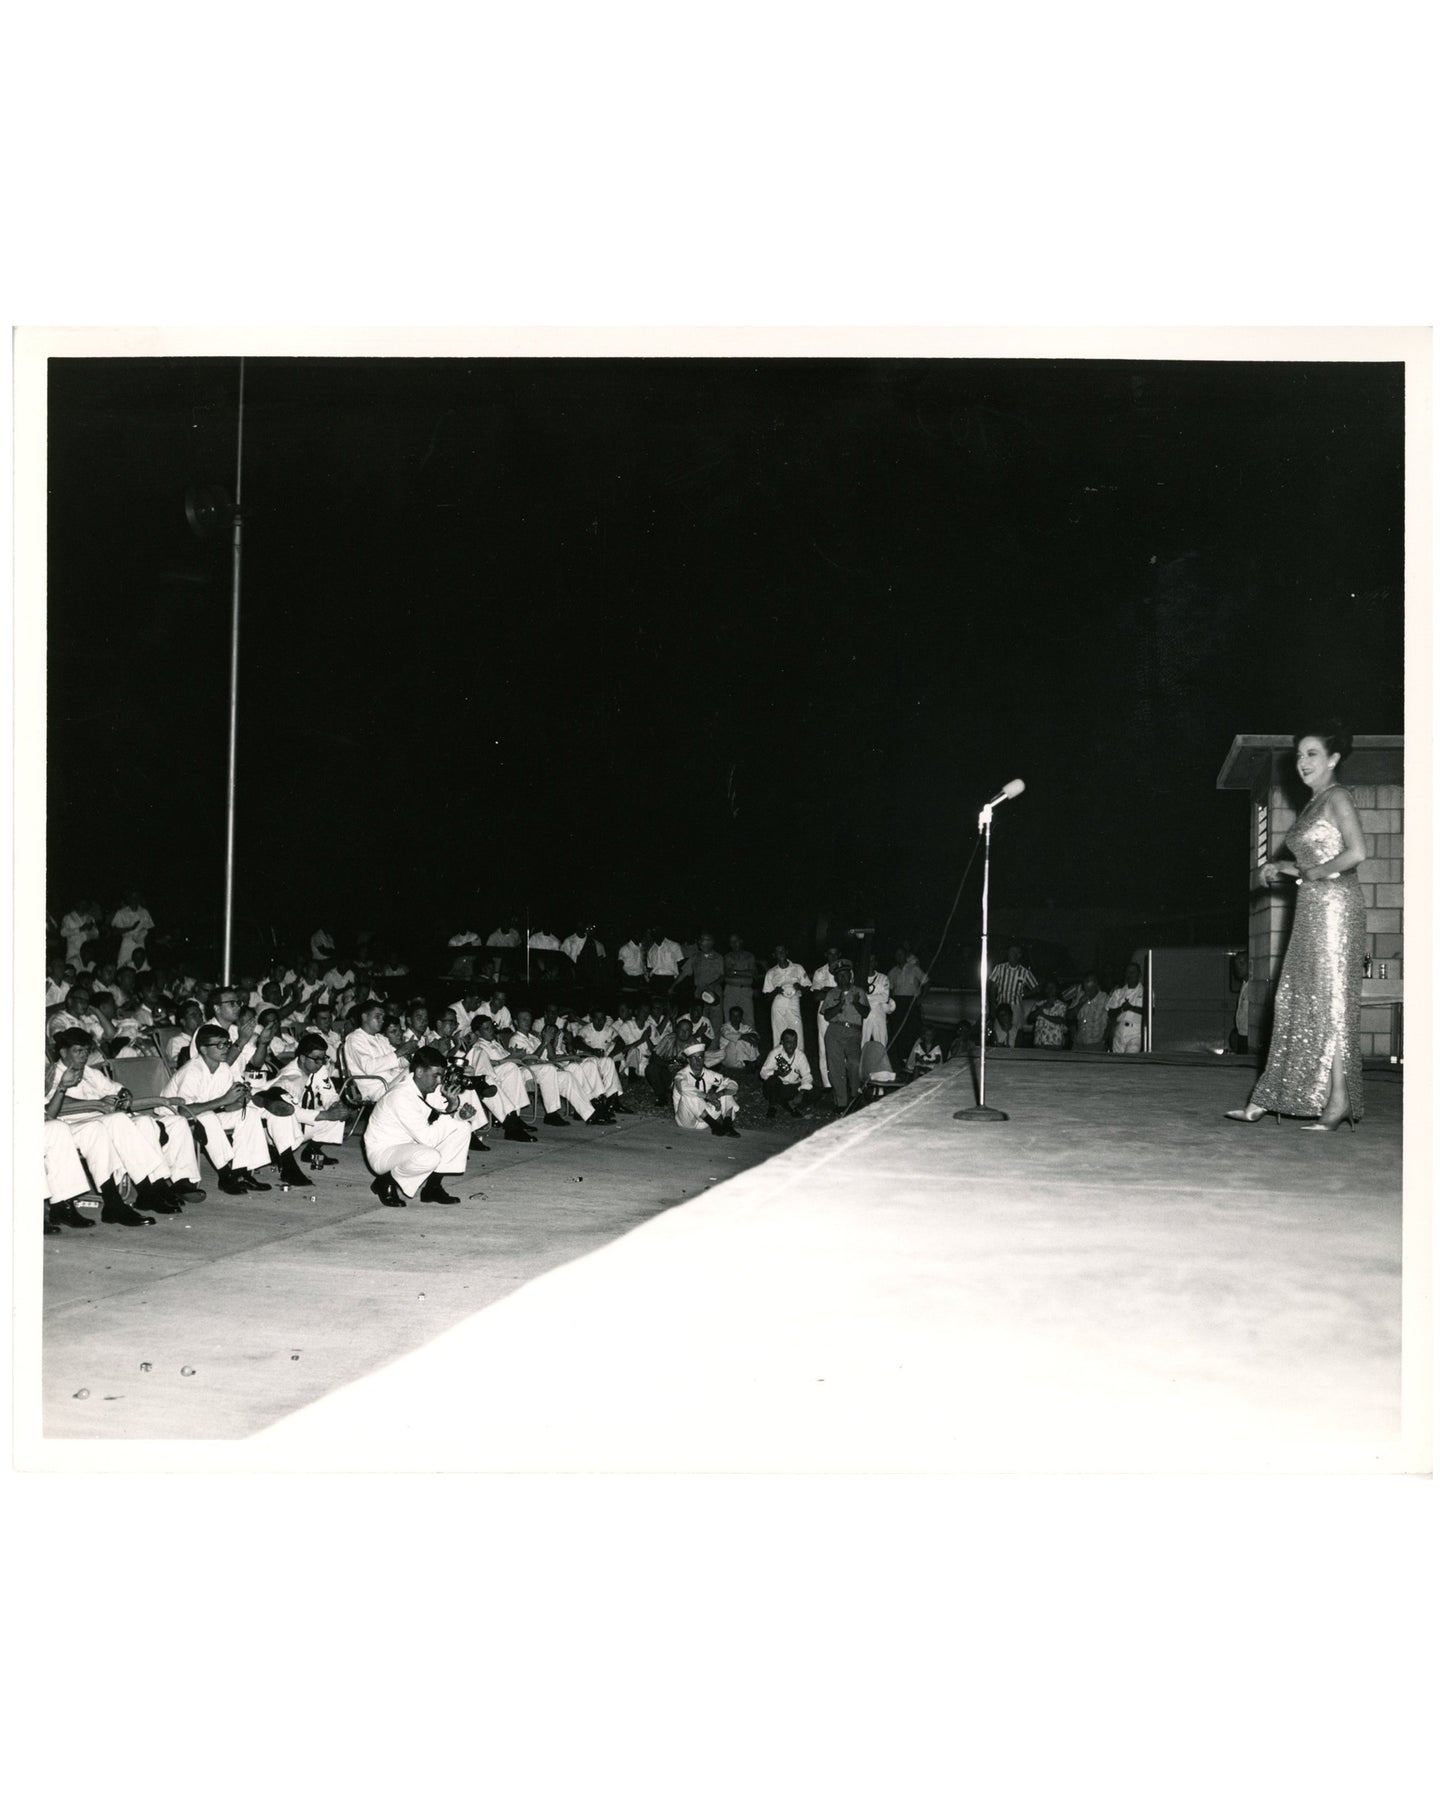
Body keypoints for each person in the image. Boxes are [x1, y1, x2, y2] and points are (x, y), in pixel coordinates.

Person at [1227, 726, 1368, 1130]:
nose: (1302, 763)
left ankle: (1337, 1102)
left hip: (1335, 909)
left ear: (1333, 759)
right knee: (1295, 998)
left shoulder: (1338, 797)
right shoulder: (1312, 803)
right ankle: (1272, 1097)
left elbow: (1357, 852)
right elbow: (1312, 862)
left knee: (1331, 1002)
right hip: (1312, 907)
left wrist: (1316, 872)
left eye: (1312, 754)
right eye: (1300, 755)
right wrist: (1281, 867)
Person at [161, 1024, 275, 1195]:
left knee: (249, 1114)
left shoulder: (223, 1068)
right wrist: (224, 1100)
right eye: (219, 1045)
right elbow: (183, 1111)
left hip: (206, 1116)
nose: (226, 1049)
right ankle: (225, 1174)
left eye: (227, 1044)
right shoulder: (192, 1071)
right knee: (207, 1116)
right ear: (203, 1049)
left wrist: (239, 1101)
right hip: (174, 1121)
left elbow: (226, 1106)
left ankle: (241, 1172)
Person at [363, 1048, 472, 1206]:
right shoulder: (401, 1096)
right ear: (419, 1072)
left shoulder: (427, 1088)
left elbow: (443, 1120)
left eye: (441, 1076)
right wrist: (451, 1108)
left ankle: (432, 1188)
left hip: (409, 1146)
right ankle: (385, 1181)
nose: (439, 1081)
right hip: (384, 1153)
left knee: (462, 1127)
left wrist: (458, 1115)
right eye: (435, 1075)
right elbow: (428, 1139)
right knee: (430, 1156)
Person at [821, 960, 868, 1112]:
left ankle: (854, 1097)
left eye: (846, 974)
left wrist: (856, 1003)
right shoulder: (832, 994)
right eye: (839, 975)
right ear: (835, 978)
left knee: (855, 1063)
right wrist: (839, 1005)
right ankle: (841, 1102)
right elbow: (827, 1015)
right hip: (835, 1031)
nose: (843, 978)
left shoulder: (859, 991)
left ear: (850, 975)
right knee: (836, 1067)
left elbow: (866, 1013)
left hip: (853, 1032)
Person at [671, 1043, 741, 1135]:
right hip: (686, 1120)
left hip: (705, 1119)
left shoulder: (708, 1074)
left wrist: (719, 1094)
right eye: (694, 1058)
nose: (698, 1061)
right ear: (688, 1060)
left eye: (700, 1057)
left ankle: (728, 1125)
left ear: (704, 1059)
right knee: (689, 1093)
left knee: (725, 1088)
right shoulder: (681, 1075)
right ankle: (715, 1125)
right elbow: (683, 1088)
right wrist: (708, 1096)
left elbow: (732, 1083)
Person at [763, 944, 810, 1052]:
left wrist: (800, 987)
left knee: (797, 1032)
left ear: (787, 952)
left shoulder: (798, 968)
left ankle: (798, 1059)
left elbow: (808, 988)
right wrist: (776, 991)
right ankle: (779, 1059)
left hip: (794, 1002)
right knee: (779, 1034)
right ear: (774, 955)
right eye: (778, 952)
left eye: (782, 951)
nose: (781, 954)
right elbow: (766, 996)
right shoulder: (771, 972)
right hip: (778, 1004)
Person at [988, 945, 1038, 1046]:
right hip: (1001, 1005)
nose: (1011, 954)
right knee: (998, 1031)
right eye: (1010, 952)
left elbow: (1036, 987)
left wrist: (1023, 994)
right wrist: (993, 1004)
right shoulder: (999, 968)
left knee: (1015, 1034)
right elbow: (993, 987)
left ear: (1019, 955)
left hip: (1016, 1007)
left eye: (1014, 952)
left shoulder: (1024, 972)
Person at [759, 1028, 813, 1117]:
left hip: (793, 1087)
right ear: (782, 1042)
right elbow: (763, 1073)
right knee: (772, 1081)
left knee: (815, 1091)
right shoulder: (775, 1053)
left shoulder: (800, 1055)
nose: (792, 1045)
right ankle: (774, 1106)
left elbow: (807, 1076)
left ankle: (788, 1103)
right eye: (788, 1042)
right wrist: (777, 1072)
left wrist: (801, 1093)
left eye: (794, 1042)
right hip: (779, 1087)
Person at [685, 932, 726, 1035]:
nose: (700, 942)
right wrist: (673, 986)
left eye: (703, 940)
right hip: (700, 991)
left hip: (714, 991)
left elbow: (723, 976)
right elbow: (684, 973)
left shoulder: (718, 957)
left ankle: (714, 1043)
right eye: (700, 939)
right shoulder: (695, 956)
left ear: (711, 942)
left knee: (716, 1019)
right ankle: (699, 1041)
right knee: (700, 1018)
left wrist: (712, 985)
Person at [1106, 964, 1145, 1054]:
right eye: (1128, 972)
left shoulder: (1145, 992)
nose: (1129, 974)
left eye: (1133, 972)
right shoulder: (1118, 992)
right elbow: (1110, 1013)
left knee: (1130, 1057)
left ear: (1139, 975)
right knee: (1117, 1060)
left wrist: (1131, 1008)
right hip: (1120, 1031)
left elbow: (1150, 1012)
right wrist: (1122, 1009)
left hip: (1135, 1033)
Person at [721, 934, 758, 1027]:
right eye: (731, 942)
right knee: (728, 1019)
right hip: (731, 990)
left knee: (748, 1020)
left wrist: (735, 972)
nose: (734, 944)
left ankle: (749, 1036)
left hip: (745, 990)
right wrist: (744, 972)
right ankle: (729, 1036)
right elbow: (728, 973)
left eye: (736, 941)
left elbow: (752, 973)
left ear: (741, 941)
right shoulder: (728, 957)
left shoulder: (749, 956)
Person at [861, 953, 895, 1052]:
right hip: (865, 1017)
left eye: (872, 960)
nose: (870, 963)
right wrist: (876, 999)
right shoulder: (860, 979)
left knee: (881, 1044)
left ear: (875, 963)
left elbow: (885, 997)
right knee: (863, 1045)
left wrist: (866, 997)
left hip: (879, 1015)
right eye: (868, 961)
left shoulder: (883, 978)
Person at [1068, 973, 1109, 1051]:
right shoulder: (1080, 995)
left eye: (1088, 981)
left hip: (1096, 1043)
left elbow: (1110, 1021)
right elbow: (1069, 1016)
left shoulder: (1105, 998)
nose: (1084, 984)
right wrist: (1080, 1004)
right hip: (1079, 1042)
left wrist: (1104, 1040)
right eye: (1084, 981)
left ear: (1096, 983)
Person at [718, 1006, 762, 1071]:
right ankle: (751, 1062)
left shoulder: (744, 1027)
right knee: (738, 1040)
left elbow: (755, 1034)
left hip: (740, 1056)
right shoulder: (725, 1027)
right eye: (733, 1016)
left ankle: (751, 1062)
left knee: (751, 1039)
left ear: (741, 1017)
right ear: (729, 1017)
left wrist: (751, 1037)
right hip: (728, 1057)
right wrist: (745, 1036)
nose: (735, 1018)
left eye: (738, 1016)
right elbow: (728, 1035)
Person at [1030, 979, 1069, 1049]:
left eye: (1052, 987)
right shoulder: (1039, 1004)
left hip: (1054, 1043)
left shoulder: (1062, 1005)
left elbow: (1060, 1020)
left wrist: (1043, 1015)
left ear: (1057, 989)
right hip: (1039, 1042)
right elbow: (1030, 1019)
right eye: (1048, 987)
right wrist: (1042, 1008)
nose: (1050, 990)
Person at [646, 928, 684, 993]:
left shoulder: (674, 946)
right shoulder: (651, 950)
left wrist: (675, 982)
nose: (656, 933)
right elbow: (650, 967)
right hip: (655, 980)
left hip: (669, 980)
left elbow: (681, 964)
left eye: (658, 930)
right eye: (653, 931)